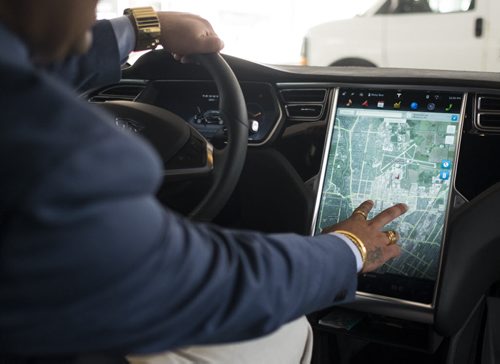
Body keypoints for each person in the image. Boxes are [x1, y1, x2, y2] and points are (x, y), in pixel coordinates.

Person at [0, 1, 407, 362]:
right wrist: (348, 249)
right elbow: (217, 284)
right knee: (288, 328)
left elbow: (22, 59)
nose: (94, 7)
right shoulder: (50, 155)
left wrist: (143, 29)